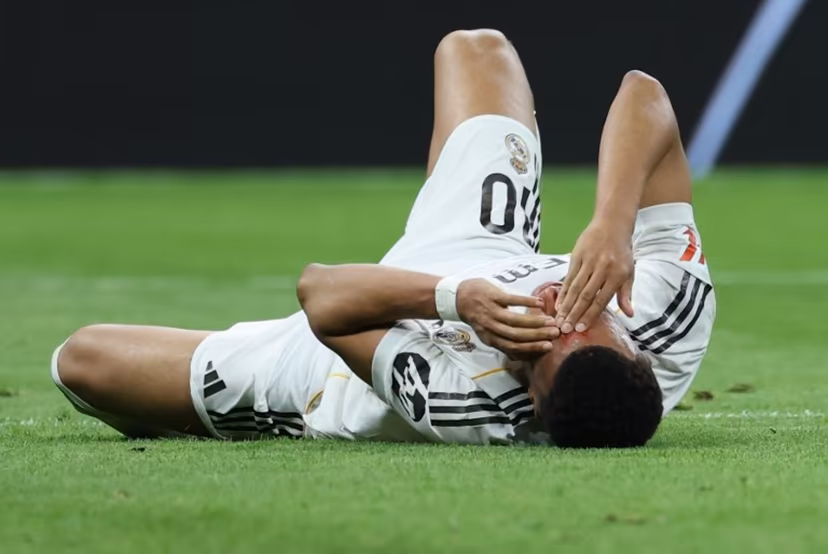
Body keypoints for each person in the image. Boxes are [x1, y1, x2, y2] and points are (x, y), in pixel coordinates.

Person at [51, 29, 715, 447]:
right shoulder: (666, 311)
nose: (557, 305)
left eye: (545, 338)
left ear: (532, 406)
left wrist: (458, 301)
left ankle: (211, 408)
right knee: (475, 48)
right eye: (584, 315)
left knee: (80, 362)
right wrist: (612, 223)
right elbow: (643, 95)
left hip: (340, 361)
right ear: (635, 349)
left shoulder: (465, 406)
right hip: (485, 250)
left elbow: (324, 297)